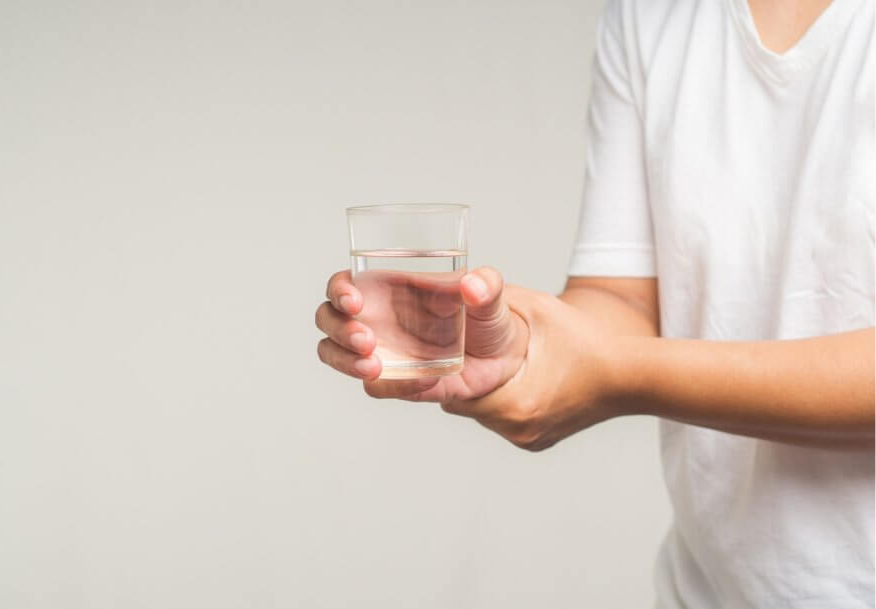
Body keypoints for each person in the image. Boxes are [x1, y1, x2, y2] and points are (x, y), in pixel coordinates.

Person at [315, 0, 874, 606]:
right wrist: (522, 349)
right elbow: (620, 298)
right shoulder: (645, 17)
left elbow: (618, 358)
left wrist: (614, 373)